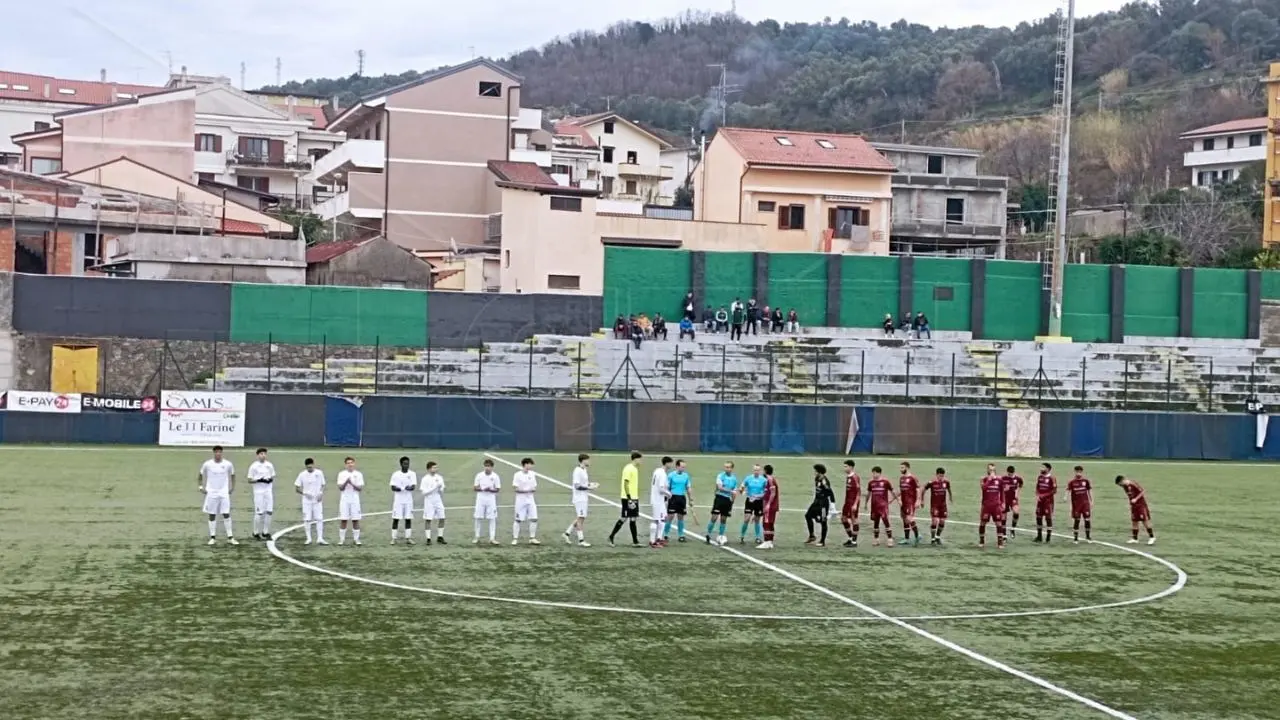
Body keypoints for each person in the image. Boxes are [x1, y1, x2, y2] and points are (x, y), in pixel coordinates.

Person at [199, 445, 237, 546]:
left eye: (220, 452)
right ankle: (212, 537)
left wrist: (232, 487)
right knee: (212, 514)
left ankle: (230, 537)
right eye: (216, 452)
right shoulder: (207, 464)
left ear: (222, 453)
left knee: (226, 513)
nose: (218, 454)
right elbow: (200, 474)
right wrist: (201, 487)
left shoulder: (228, 464)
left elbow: (233, 475)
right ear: (214, 453)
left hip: (223, 493)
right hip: (211, 493)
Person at [609, 451, 643, 547]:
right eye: (640, 459)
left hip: (634, 497)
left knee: (633, 518)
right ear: (636, 459)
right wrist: (629, 499)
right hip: (628, 498)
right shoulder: (629, 469)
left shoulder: (634, 469)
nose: (641, 461)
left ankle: (635, 541)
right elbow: (625, 483)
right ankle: (611, 537)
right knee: (624, 518)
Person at [563, 453, 596, 547]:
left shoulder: (584, 469)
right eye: (588, 460)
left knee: (580, 517)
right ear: (583, 460)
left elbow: (584, 483)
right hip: (579, 498)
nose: (590, 461)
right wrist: (589, 488)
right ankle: (581, 540)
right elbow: (577, 486)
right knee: (581, 519)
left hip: (584, 497)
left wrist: (591, 484)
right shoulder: (577, 471)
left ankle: (566, 534)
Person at [294, 457, 327, 545]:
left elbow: (323, 485)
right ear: (306, 467)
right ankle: (308, 538)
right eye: (308, 468)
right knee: (307, 519)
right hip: (306, 501)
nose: (310, 469)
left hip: (317, 500)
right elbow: (297, 488)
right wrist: (305, 493)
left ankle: (320, 538)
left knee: (319, 518)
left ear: (313, 465)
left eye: (311, 467)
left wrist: (321, 493)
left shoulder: (319, 473)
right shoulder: (302, 475)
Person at [705, 460, 739, 544]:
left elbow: (735, 492)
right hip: (719, 498)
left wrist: (732, 503)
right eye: (725, 467)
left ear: (732, 468)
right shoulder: (720, 476)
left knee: (723, 519)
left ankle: (720, 535)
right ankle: (708, 534)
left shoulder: (734, 479)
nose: (726, 469)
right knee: (714, 517)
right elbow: (720, 487)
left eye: (728, 467)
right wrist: (730, 491)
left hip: (728, 501)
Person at [1116, 475, 1156, 545]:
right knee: (1134, 521)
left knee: (1144, 521)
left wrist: (1136, 499)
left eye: (1120, 484)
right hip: (1134, 506)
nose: (1120, 486)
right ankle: (1135, 538)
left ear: (1122, 481)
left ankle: (1152, 537)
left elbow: (1143, 491)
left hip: (1141, 505)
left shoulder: (1133, 483)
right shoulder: (1125, 487)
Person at [247, 447, 276, 541]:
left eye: (264, 454)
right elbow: (249, 480)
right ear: (257, 455)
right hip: (259, 492)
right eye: (261, 454)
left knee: (269, 511)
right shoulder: (254, 466)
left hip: (268, 492)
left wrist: (269, 480)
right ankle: (255, 532)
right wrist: (259, 480)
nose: (263, 456)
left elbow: (272, 476)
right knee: (259, 512)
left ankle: (265, 532)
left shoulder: (269, 465)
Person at [662, 459, 693, 542]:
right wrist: (666, 498)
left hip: (682, 498)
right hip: (673, 497)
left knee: (681, 517)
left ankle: (681, 535)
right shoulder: (671, 475)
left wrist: (690, 499)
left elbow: (688, 487)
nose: (683, 468)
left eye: (684, 467)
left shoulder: (686, 476)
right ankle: (665, 534)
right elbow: (667, 487)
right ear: (677, 466)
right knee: (670, 516)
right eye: (682, 467)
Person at [804, 463, 835, 546]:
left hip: (824, 503)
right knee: (808, 515)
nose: (814, 472)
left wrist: (832, 505)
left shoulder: (824, 480)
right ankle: (812, 536)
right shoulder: (817, 478)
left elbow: (830, 492)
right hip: (816, 502)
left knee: (823, 521)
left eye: (815, 471)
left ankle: (822, 541)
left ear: (819, 472)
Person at [336, 456, 364, 546]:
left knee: (355, 520)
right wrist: (346, 482)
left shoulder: (358, 474)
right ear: (345, 465)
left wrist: (352, 483)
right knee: (343, 519)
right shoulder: (341, 474)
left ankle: (356, 539)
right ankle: (341, 540)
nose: (350, 465)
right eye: (348, 463)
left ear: (354, 463)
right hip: (344, 500)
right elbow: (340, 488)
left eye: (351, 463)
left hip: (355, 500)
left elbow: (360, 488)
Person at [472, 459, 501, 545]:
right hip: (480, 499)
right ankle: (477, 537)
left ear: (492, 467)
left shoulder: (495, 476)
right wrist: (482, 489)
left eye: (489, 466)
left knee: (492, 518)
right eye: (486, 466)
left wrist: (491, 489)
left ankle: (492, 538)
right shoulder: (479, 475)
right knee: (478, 517)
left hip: (491, 500)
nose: (487, 468)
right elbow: (475, 488)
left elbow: (498, 489)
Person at [389, 456, 417, 545]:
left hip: (408, 500)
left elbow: (413, 486)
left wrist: (409, 488)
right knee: (396, 518)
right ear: (401, 464)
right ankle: (393, 538)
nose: (407, 465)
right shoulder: (396, 474)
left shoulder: (412, 474)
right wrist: (399, 489)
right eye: (405, 464)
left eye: (408, 464)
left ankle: (408, 538)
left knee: (408, 518)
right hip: (398, 500)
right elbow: (392, 487)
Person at [866, 466, 897, 547]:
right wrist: (866, 503)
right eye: (873, 473)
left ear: (879, 473)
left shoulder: (885, 482)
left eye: (875, 473)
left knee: (886, 521)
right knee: (876, 523)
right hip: (874, 506)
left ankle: (890, 539)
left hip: (883, 506)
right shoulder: (871, 483)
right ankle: (876, 539)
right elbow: (868, 494)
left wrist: (895, 500)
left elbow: (893, 491)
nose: (873, 474)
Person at [512, 457, 540, 545]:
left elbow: (534, 486)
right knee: (518, 519)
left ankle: (532, 538)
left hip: (531, 499)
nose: (531, 466)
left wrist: (532, 490)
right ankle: (515, 538)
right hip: (521, 500)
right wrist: (525, 491)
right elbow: (515, 488)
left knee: (534, 518)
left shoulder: (532, 474)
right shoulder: (517, 475)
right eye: (530, 464)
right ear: (525, 464)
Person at [739, 464, 768, 545]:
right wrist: (741, 490)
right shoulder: (748, 478)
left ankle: (758, 537)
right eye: (755, 470)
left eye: (758, 470)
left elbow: (766, 493)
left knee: (757, 520)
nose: (756, 472)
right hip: (750, 501)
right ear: (753, 470)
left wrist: (757, 496)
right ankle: (742, 536)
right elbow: (742, 486)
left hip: (758, 502)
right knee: (746, 519)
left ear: (760, 471)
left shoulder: (763, 480)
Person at [419, 460, 447, 545]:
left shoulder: (439, 477)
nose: (436, 469)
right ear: (429, 469)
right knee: (428, 519)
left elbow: (442, 490)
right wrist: (435, 487)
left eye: (436, 467)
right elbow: (424, 492)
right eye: (434, 467)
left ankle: (440, 536)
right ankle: (428, 538)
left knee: (442, 517)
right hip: (429, 501)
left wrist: (441, 488)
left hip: (438, 500)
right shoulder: (425, 479)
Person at [922, 467, 952, 545]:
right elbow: (924, 489)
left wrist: (950, 497)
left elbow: (949, 489)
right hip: (934, 505)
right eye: (939, 476)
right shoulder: (931, 482)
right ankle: (932, 539)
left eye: (942, 476)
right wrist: (922, 500)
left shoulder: (946, 482)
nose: (941, 478)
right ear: (936, 475)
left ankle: (938, 537)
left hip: (943, 505)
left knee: (942, 521)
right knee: (935, 521)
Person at [979, 465, 1006, 549]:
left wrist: (1003, 502)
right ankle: (981, 541)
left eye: (993, 469)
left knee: (998, 523)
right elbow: (983, 488)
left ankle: (1000, 543)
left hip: (996, 506)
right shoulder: (983, 479)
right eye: (990, 469)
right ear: (987, 470)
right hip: (986, 505)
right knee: (983, 522)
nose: (991, 471)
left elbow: (1002, 492)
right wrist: (989, 480)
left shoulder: (999, 480)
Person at [648, 456, 672, 548]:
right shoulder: (662, 474)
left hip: (658, 499)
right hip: (658, 500)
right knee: (655, 520)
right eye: (670, 463)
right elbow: (661, 488)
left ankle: (659, 538)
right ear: (666, 463)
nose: (671, 465)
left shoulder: (657, 471)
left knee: (663, 518)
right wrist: (669, 494)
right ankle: (652, 541)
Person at [1066, 465, 1093, 543]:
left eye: (1080, 471)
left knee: (1087, 519)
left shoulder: (1086, 481)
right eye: (1077, 471)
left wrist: (1091, 501)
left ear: (1082, 472)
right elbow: (1068, 490)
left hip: (1085, 504)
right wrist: (1065, 497)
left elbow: (1089, 490)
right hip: (1076, 505)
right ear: (1075, 472)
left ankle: (1088, 537)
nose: (1078, 473)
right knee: (1077, 520)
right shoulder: (1072, 482)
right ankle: (1075, 538)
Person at [1033, 463, 1058, 544]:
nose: (1041, 469)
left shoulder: (1052, 478)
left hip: (1048, 502)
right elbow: (1037, 487)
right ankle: (1039, 536)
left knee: (1048, 518)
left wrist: (1043, 496)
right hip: (1040, 501)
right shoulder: (1040, 477)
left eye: (1043, 468)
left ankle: (1048, 538)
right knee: (1038, 517)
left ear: (1048, 469)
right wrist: (1037, 495)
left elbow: (1054, 491)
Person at [898, 461, 921, 546]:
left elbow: (918, 489)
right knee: (904, 519)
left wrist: (918, 500)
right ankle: (906, 539)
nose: (900, 469)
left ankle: (917, 536)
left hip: (910, 502)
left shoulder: (913, 478)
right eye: (900, 468)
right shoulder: (901, 478)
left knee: (909, 519)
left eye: (902, 468)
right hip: (903, 502)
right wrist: (898, 499)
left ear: (907, 468)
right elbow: (901, 490)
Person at [840, 459, 862, 547]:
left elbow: (859, 492)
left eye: (846, 466)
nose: (844, 468)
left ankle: (854, 542)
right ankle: (850, 538)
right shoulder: (848, 477)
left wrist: (855, 504)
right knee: (843, 519)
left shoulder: (855, 477)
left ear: (851, 467)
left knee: (854, 520)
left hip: (853, 502)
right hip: (847, 502)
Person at [759, 464, 781, 549]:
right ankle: (770, 542)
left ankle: (767, 541)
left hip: (770, 506)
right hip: (772, 505)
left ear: (765, 471)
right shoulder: (769, 479)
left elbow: (773, 493)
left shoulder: (770, 479)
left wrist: (768, 505)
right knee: (770, 523)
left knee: (766, 523)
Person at [1001, 465, 1024, 539]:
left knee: (1016, 512)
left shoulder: (1018, 478)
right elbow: (999, 488)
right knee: (1003, 517)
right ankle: (1004, 535)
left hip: (1013, 499)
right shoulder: (1003, 478)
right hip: (1004, 499)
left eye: (1012, 473)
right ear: (1007, 472)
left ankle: (1013, 529)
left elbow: (1021, 484)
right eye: (1009, 473)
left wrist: (1017, 492)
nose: (1010, 475)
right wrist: (1004, 490)